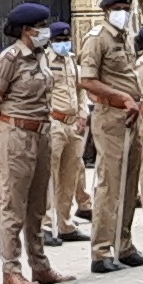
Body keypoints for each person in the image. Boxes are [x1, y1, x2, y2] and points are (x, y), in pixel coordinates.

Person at [0, 4, 63, 284]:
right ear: (27, 30)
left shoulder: (42, 56)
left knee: (38, 204)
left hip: (41, 132)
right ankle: (11, 270)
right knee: (13, 204)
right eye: (41, 25)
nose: (46, 30)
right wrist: (1, 125)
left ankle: (40, 265)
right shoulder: (11, 57)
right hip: (16, 132)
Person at [82, 0, 143, 275]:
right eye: (119, 8)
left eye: (127, 8)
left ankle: (125, 245)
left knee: (129, 184)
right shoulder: (97, 38)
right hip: (111, 115)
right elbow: (87, 80)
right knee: (110, 184)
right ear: (107, 10)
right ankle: (101, 251)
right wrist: (121, 98)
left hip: (131, 115)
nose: (124, 12)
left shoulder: (124, 38)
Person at [43, 21, 88, 243]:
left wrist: (82, 115)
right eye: (59, 41)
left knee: (71, 176)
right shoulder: (44, 61)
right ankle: (46, 224)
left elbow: (81, 92)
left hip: (73, 124)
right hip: (54, 121)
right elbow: (42, 92)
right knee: (49, 176)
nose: (63, 44)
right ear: (50, 42)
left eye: (66, 40)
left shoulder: (72, 60)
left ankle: (65, 224)